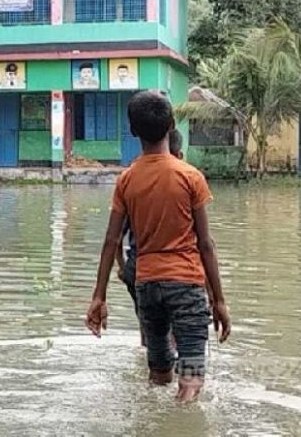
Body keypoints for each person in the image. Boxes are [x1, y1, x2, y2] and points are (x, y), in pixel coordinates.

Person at [85, 91, 231, 402]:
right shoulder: (190, 176)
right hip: (187, 288)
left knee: (159, 372)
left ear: (133, 131)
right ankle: (181, 421)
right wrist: (218, 300)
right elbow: (206, 244)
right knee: (191, 379)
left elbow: (112, 240)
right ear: (172, 124)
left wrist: (99, 296)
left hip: (148, 288)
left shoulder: (126, 180)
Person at [116, 128, 186, 347]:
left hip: (139, 269)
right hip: (176, 270)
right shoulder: (187, 182)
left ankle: (151, 369)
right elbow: (203, 242)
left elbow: (114, 237)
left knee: (148, 329)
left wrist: (121, 267)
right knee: (176, 332)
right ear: (180, 155)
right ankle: (169, 373)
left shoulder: (132, 180)